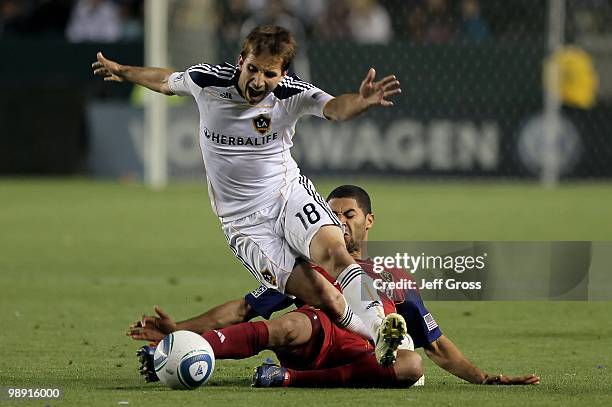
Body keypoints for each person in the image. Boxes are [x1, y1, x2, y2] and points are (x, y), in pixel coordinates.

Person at [93, 25, 405, 366]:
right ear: (241, 60)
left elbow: (335, 108)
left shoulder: (291, 94)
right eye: (252, 69)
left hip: (288, 196)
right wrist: (123, 71)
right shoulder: (208, 82)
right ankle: (377, 340)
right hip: (243, 223)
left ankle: (383, 330)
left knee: (336, 252)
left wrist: (359, 102)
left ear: (283, 73)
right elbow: (166, 80)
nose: (257, 81)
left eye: (269, 74)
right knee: (324, 296)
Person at [129, 185, 541, 388]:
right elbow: (241, 310)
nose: (339, 221)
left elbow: (435, 346)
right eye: (332, 214)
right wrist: (180, 329)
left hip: (356, 358)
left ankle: (284, 380)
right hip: (309, 341)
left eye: (349, 213)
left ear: (368, 221)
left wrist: (483, 377)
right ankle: (177, 353)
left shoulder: (394, 278)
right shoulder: (307, 268)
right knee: (293, 324)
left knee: (411, 364)